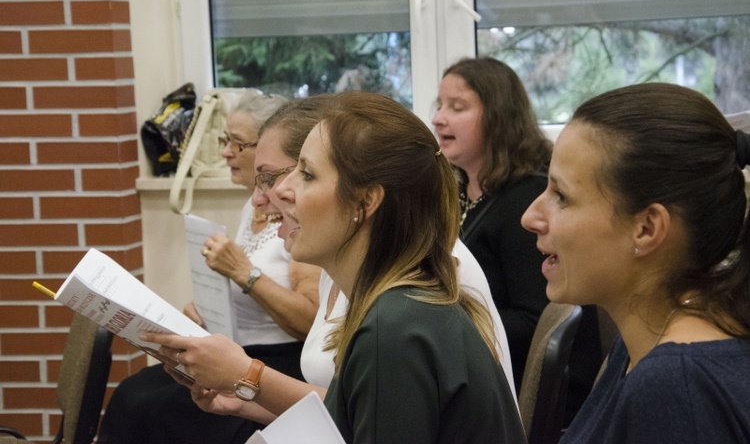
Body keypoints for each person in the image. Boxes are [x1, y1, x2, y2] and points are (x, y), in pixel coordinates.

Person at [144, 92, 525, 443]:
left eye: (306, 174)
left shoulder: (394, 326)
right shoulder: (395, 300)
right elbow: (352, 417)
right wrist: (242, 398)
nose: (282, 191)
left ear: (365, 202)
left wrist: (247, 376)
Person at [521, 83, 750, 443]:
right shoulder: (642, 342)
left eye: (561, 196)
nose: (530, 217)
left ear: (646, 228)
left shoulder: (675, 386)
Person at [98, 92, 321, 444]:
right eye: (224, 140)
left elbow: (310, 321)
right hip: (238, 347)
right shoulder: (255, 207)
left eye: (237, 143)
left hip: (277, 359)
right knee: (132, 392)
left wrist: (243, 273)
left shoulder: (303, 227)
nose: (226, 152)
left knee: (146, 408)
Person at [433, 57, 603, 422]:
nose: (438, 118)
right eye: (439, 105)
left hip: (531, 397)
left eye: (457, 107)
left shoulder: (524, 201)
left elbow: (534, 321)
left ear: (498, 116)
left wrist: (441, 328)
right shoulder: (469, 196)